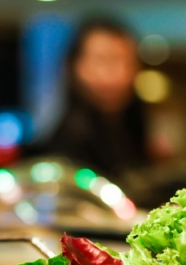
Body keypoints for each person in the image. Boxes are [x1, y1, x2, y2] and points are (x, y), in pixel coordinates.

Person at [42, 17, 156, 178]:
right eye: (104, 60)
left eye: (127, 61)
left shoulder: (136, 123)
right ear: (75, 66)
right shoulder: (68, 142)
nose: (119, 73)